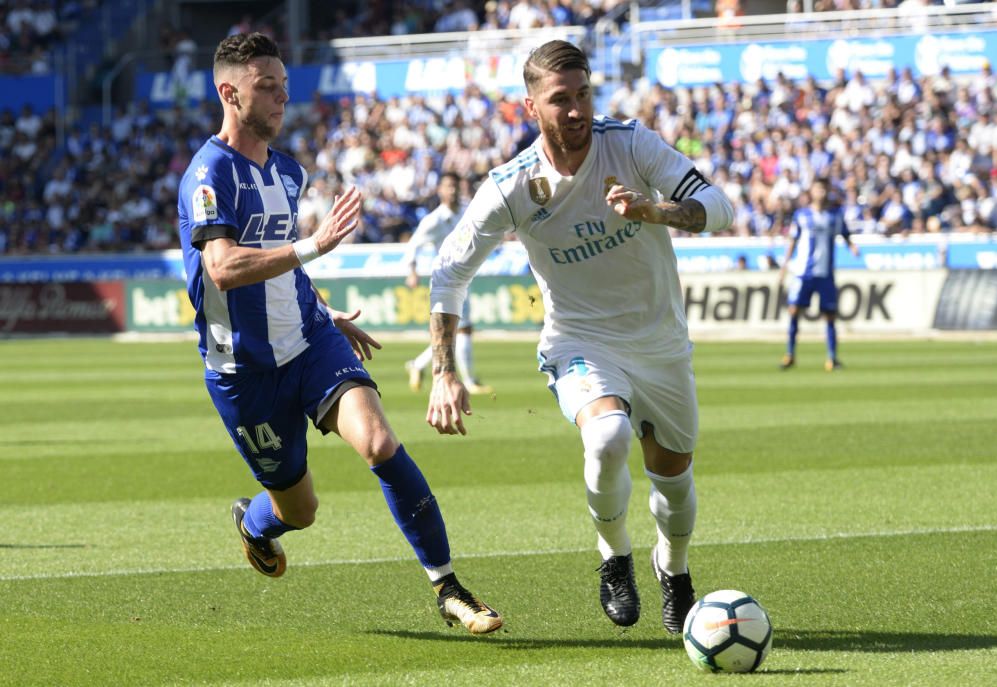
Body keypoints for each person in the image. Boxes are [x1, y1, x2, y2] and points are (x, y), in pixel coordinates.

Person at [176, 32, 501, 635]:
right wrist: (315, 244)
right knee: (300, 511)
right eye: (265, 88)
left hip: (310, 343)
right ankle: (255, 524)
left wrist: (324, 312)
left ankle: (450, 589)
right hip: (241, 370)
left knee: (379, 443)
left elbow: (283, 266)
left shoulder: (289, 172)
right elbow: (221, 266)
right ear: (230, 92)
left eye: (284, 87)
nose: (281, 100)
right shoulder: (207, 173)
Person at [424, 40, 735, 634]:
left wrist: (656, 211)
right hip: (579, 341)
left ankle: (674, 568)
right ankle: (614, 556)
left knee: (673, 479)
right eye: (559, 99)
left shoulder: (632, 143)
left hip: (661, 341)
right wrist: (444, 371)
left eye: (583, 94)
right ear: (530, 107)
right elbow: (450, 271)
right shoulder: (512, 185)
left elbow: (716, 205)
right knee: (609, 437)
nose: (575, 110)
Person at [403, 171, 493, 395]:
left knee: (452, 333)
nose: (452, 190)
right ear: (440, 190)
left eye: (455, 186)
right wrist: (412, 271)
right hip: (446, 279)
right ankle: (470, 381)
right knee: (463, 330)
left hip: (464, 277)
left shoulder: (465, 212)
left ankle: (417, 364)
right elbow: (412, 245)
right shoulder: (434, 220)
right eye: (448, 186)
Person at [778, 177, 860, 371]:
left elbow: (846, 234)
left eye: (823, 189)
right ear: (811, 191)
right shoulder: (801, 215)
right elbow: (793, 240)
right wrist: (785, 265)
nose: (820, 193)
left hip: (825, 274)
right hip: (803, 273)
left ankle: (832, 358)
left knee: (830, 315)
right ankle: (790, 354)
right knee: (793, 311)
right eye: (817, 189)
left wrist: (852, 247)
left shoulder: (835, 215)